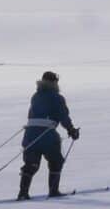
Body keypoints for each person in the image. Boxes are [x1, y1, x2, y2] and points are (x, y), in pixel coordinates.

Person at [17, 70, 79, 200]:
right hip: (47, 135)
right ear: (55, 82)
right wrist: (71, 130)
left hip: (30, 134)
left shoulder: (35, 96)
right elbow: (63, 116)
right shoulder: (57, 97)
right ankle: (53, 191)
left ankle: (23, 193)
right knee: (56, 161)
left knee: (31, 164)